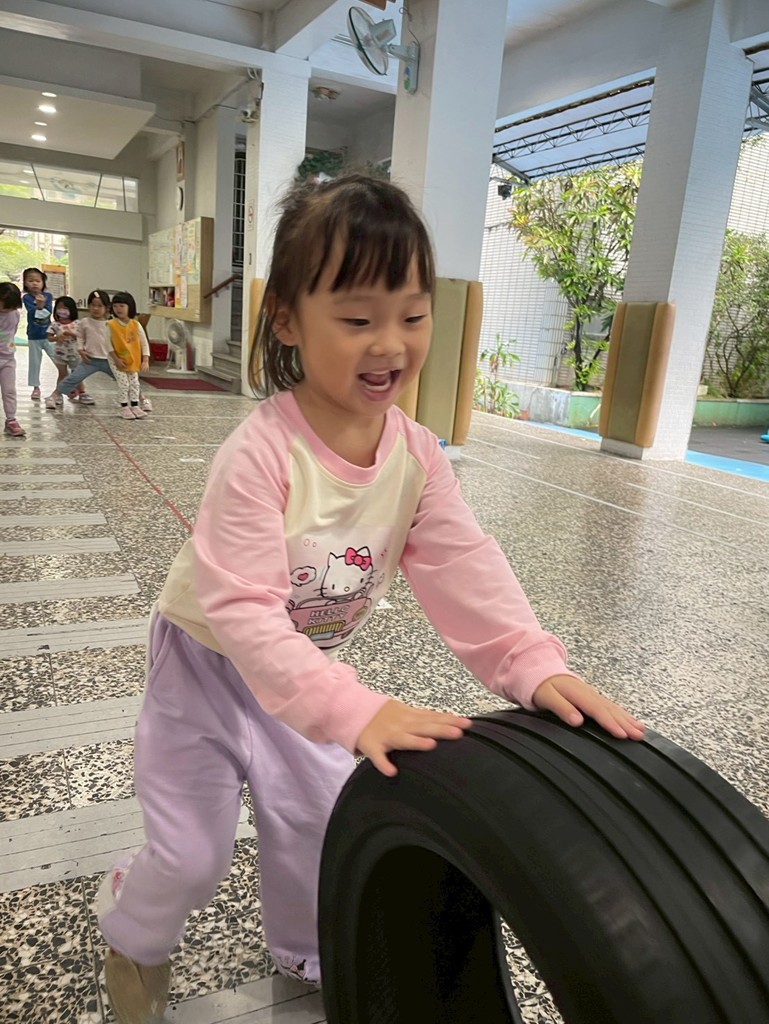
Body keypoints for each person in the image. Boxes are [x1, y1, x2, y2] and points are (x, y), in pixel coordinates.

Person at [97, 175, 645, 1024]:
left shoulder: (416, 456)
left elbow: (464, 564)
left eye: (412, 316)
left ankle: (312, 952)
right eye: (357, 320)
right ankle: (132, 935)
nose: (389, 344)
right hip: (202, 668)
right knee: (193, 856)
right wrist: (355, 711)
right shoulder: (260, 452)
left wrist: (531, 665)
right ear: (287, 320)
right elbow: (242, 611)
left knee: (322, 823)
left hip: (305, 669)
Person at [57, 290, 115, 404]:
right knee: (73, 378)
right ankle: (55, 395)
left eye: (100, 306)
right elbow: (80, 337)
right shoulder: (84, 322)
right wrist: (81, 350)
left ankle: (141, 398)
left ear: (107, 308)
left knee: (125, 379)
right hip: (90, 360)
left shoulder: (111, 324)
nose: (96, 308)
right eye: (93, 305)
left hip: (109, 360)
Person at [107, 291, 150, 420]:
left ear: (129, 307)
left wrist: (145, 360)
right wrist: (116, 360)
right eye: (115, 306)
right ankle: (124, 407)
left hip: (132, 359)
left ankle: (135, 406)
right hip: (116, 359)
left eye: (122, 306)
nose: (118, 309)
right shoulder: (110, 324)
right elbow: (107, 345)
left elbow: (144, 343)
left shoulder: (136, 325)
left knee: (134, 383)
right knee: (124, 383)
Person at [44, 296, 86, 408]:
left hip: (75, 354)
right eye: (59, 308)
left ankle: (82, 392)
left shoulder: (78, 323)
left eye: (65, 308)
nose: (62, 310)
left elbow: (82, 337)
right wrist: (57, 338)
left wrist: (72, 334)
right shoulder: (55, 324)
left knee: (77, 374)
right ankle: (58, 395)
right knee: (62, 374)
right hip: (60, 354)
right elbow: (49, 338)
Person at [21, 267, 55, 400]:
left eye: (38, 281)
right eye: (30, 281)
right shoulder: (27, 298)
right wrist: (40, 307)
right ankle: (36, 387)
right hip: (33, 336)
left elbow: (48, 312)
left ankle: (70, 384)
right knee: (34, 363)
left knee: (58, 359)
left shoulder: (48, 296)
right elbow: (33, 313)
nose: (34, 283)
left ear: (43, 282)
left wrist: (41, 308)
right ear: (25, 283)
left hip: (48, 335)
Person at [0, 281, 25, 437]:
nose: (8, 310)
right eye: (5, 306)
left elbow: (12, 332)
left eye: (11, 307)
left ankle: (11, 420)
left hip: (8, 358)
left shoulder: (15, 314)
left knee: (9, 390)